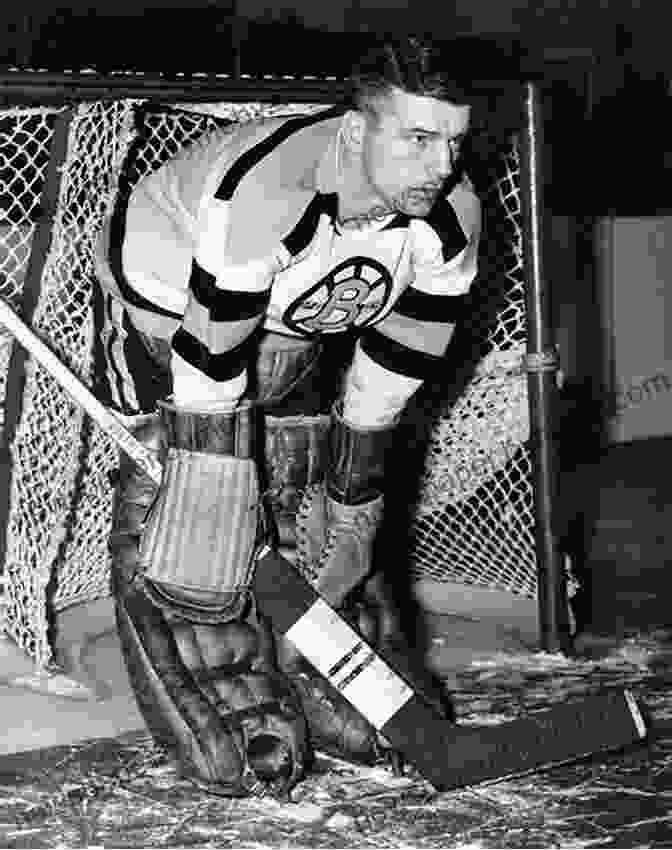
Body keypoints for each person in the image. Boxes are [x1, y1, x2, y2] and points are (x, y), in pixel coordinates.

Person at [93, 36, 482, 797]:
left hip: (300, 306)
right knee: (193, 503)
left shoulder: (450, 214)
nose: (442, 165)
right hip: (170, 293)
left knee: (306, 470)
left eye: (454, 141)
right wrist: (207, 482)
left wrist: (356, 492)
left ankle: (342, 679)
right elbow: (212, 355)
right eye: (418, 139)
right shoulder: (269, 194)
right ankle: (231, 689)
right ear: (354, 131)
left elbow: (393, 366)